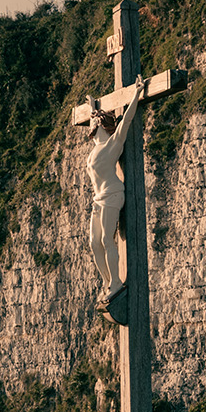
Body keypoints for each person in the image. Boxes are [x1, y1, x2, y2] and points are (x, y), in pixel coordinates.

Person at [86, 74, 145, 309]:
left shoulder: (113, 144)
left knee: (105, 240)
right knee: (93, 243)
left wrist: (136, 94)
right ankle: (108, 282)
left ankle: (117, 282)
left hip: (112, 194)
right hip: (98, 199)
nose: (90, 123)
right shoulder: (96, 146)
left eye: (93, 120)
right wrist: (93, 106)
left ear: (100, 123)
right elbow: (92, 118)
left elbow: (127, 120)